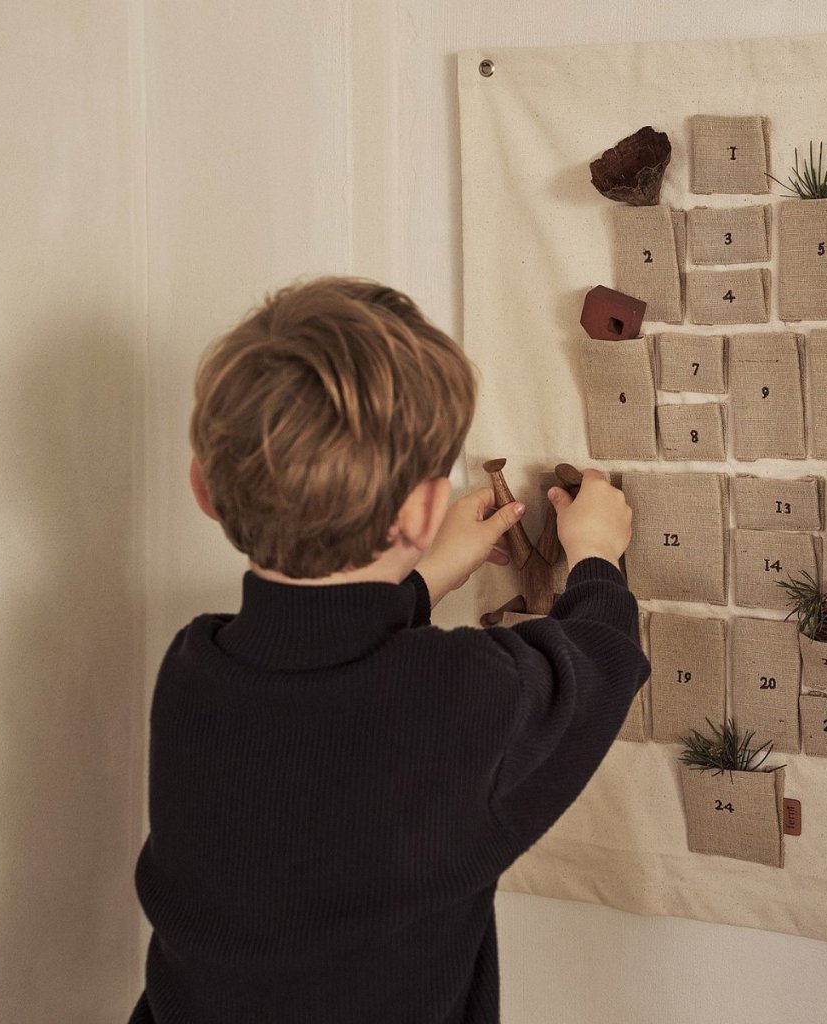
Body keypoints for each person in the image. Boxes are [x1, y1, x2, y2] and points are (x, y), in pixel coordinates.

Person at [129, 277, 649, 1024]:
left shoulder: (193, 670)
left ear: (203, 489)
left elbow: (323, 663)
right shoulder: (461, 695)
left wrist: (428, 574)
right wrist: (596, 553)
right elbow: (599, 663)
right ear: (425, 509)